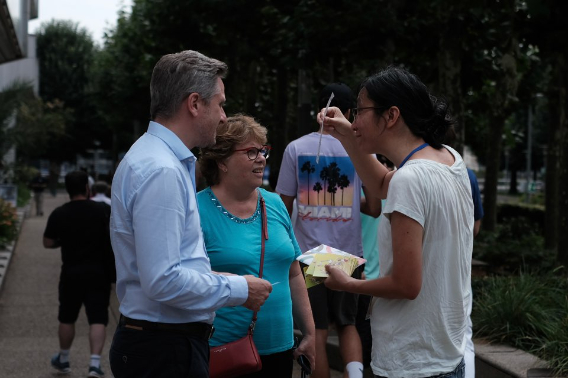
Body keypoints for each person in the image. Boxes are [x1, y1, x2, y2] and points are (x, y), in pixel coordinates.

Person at [108, 50, 272, 378]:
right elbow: (163, 281)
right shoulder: (162, 170)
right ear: (194, 104)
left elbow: (164, 273)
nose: (224, 116)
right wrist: (240, 289)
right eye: (220, 103)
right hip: (165, 349)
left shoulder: (156, 159)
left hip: (159, 345)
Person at [319, 66, 474, 378]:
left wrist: (348, 284)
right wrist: (348, 135)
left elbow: (406, 284)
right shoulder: (447, 158)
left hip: (412, 361)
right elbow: (380, 185)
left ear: (390, 116)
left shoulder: (410, 179)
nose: (354, 120)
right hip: (445, 353)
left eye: (360, 111)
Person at [197, 114, 316, 377]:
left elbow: (294, 272)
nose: (261, 158)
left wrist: (309, 333)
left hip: (280, 349)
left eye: (262, 151)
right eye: (251, 152)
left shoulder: (274, 204)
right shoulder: (196, 210)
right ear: (222, 162)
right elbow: (189, 277)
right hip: (224, 350)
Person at [276, 83, 381, 378]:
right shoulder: (361, 150)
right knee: (348, 325)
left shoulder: (295, 149)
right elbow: (374, 207)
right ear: (349, 113)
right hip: (348, 255)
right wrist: (344, 202)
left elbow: (282, 209)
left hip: (310, 256)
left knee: (316, 330)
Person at [43, 170, 115, 378]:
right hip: (98, 273)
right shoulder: (101, 210)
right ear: (87, 188)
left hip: (71, 273)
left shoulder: (60, 213)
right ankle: (94, 364)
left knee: (67, 317)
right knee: (98, 318)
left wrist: (61, 242)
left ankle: (64, 358)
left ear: (67, 190)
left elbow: (47, 242)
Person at [464, 168, 484, 378]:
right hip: (460, 269)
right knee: (463, 335)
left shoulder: (407, 171)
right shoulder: (467, 174)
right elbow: (475, 227)